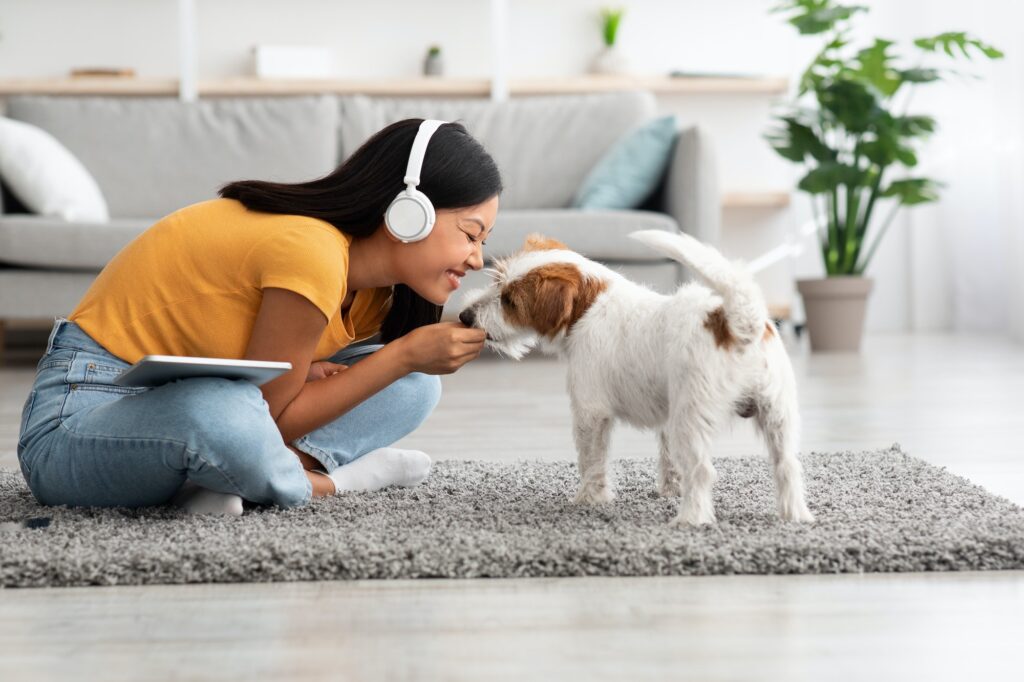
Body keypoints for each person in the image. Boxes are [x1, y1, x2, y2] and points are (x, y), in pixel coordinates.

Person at [16, 118, 501, 516]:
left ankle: (212, 483)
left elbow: (267, 406)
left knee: (416, 385)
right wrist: (399, 355)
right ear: (408, 209)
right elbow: (267, 419)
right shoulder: (312, 251)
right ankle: (329, 484)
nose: (477, 258)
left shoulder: (376, 295)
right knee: (221, 416)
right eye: (470, 233)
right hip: (78, 422)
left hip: (192, 405)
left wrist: (381, 366)